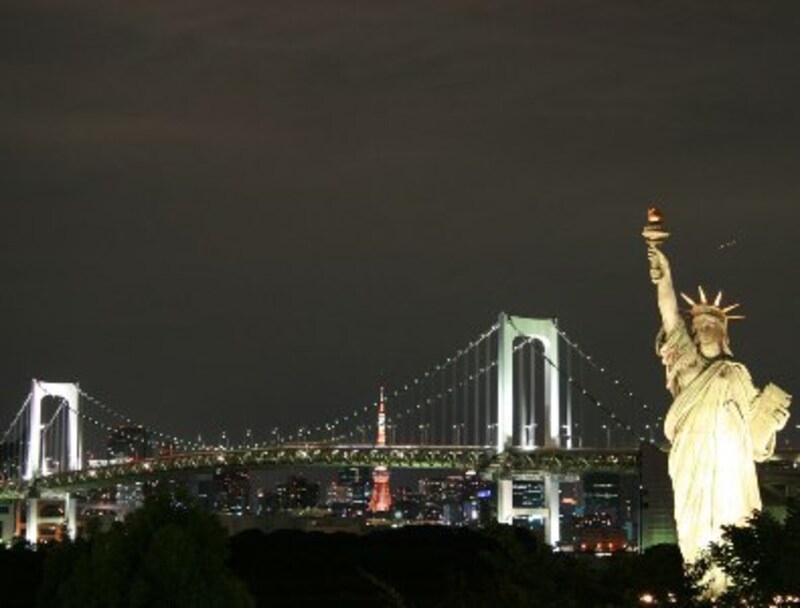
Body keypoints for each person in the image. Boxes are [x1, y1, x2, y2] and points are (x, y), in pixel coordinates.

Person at [646, 244, 791, 569]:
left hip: (731, 461)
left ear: (724, 332)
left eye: (710, 325)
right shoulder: (687, 362)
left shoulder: (737, 373)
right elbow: (670, 316)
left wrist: (774, 421)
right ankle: (701, 582)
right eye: (698, 327)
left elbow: (755, 434)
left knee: (734, 520)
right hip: (692, 456)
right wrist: (664, 278)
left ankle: (735, 582)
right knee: (695, 525)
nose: (703, 330)